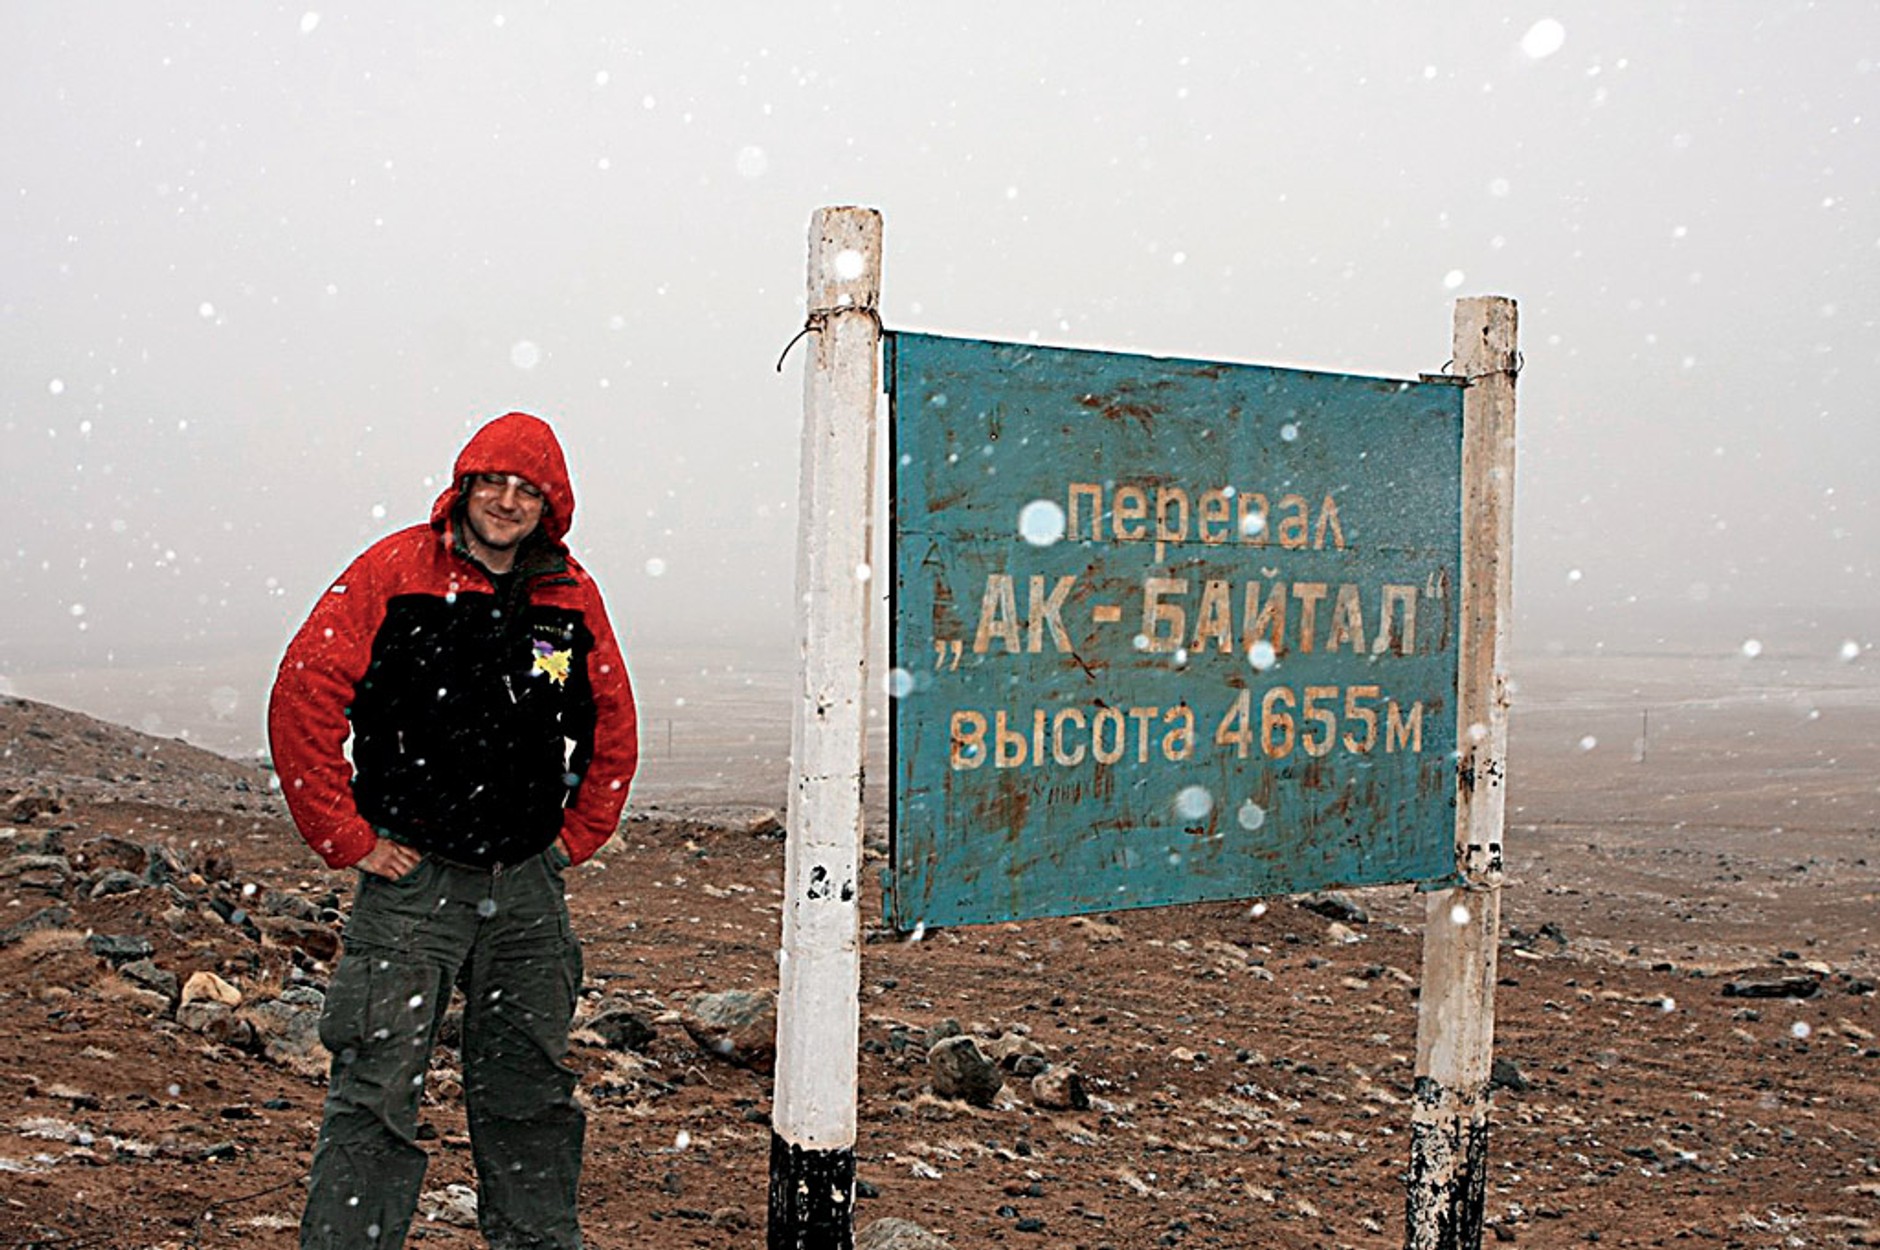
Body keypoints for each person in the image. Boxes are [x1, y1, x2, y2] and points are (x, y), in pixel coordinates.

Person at [268, 411, 638, 1250]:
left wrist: (575, 837)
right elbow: (305, 689)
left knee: (531, 1097)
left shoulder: (566, 595)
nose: (506, 501)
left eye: (527, 488)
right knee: (377, 1094)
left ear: (552, 503)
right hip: (413, 887)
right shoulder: (396, 571)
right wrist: (348, 836)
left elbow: (609, 717)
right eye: (492, 482)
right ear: (463, 486)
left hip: (525, 892)